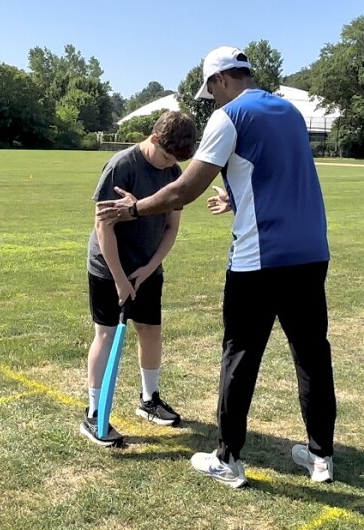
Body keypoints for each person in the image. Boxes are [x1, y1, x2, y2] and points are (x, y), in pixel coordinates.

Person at [96, 46, 336, 488]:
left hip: (259, 260)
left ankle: (228, 459)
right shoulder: (289, 112)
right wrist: (237, 199)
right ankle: (321, 456)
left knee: (240, 355)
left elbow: (183, 190)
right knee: (312, 355)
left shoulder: (229, 116)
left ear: (220, 80)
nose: (213, 102)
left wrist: (134, 209)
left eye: (211, 93)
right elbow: (277, 177)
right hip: (312, 252)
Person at [81, 111, 198, 447]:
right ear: (155, 138)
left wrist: (149, 269)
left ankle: (149, 400)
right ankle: (94, 413)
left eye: (174, 160)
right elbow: (103, 226)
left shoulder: (174, 171)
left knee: (150, 331)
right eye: (165, 156)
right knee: (104, 335)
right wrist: (120, 278)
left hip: (146, 269)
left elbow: (171, 227)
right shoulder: (123, 165)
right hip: (108, 267)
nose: (168, 165)